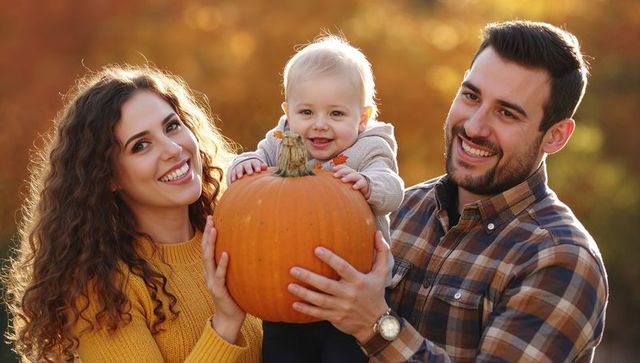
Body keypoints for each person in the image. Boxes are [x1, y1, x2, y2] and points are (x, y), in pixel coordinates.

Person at [285, 20, 609, 362]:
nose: (473, 126)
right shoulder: (399, 209)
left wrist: (376, 325)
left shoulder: (559, 259)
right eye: (471, 96)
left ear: (555, 136)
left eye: (506, 113)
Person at [4, 65, 262, 362]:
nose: (172, 149)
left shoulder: (238, 233)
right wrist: (225, 324)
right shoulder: (103, 290)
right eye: (141, 145)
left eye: (172, 126)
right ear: (109, 176)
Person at [228, 35, 404, 362]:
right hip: (285, 294)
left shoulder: (370, 150)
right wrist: (244, 164)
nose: (319, 125)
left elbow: (393, 189)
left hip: (351, 299)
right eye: (307, 111)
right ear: (288, 112)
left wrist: (367, 184)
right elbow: (248, 169)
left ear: (362, 118)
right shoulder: (282, 140)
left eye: (336, 114)